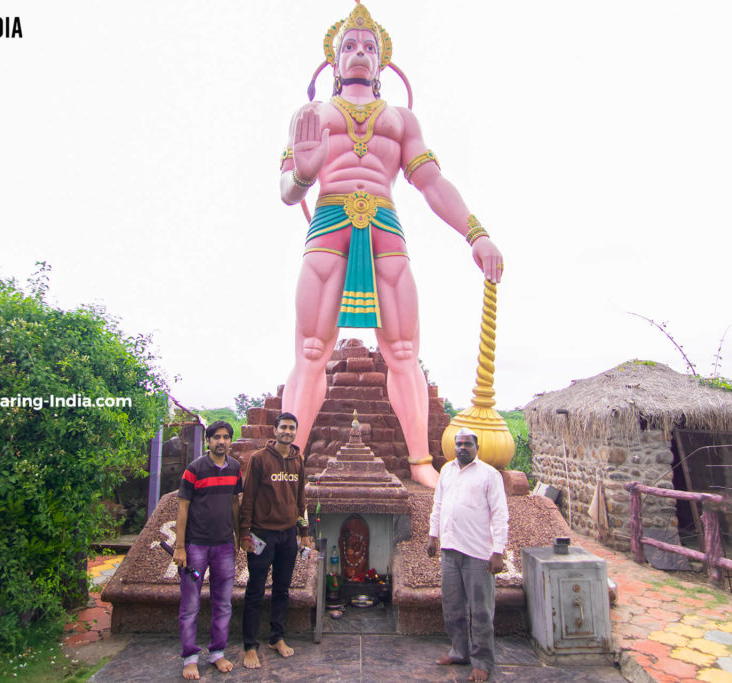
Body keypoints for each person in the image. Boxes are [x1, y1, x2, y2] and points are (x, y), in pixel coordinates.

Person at [279, 3, 505, 488]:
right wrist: (302, 170)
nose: (359, 52)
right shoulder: (312, 115)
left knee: (403, 348)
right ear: (334, 61)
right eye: (349, 46)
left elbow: (432, 183)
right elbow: (288, 192)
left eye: (368, 47)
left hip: (385, 225)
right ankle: (289, 463)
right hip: (328, 222)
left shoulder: (402, 119)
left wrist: (476, 232)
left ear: (382, 65)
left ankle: (421, 462)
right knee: (313, 348)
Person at [427, 428, 508, 682]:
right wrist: (432, 535)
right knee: (452, 606)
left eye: (467, 444)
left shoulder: (489, 475)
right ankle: (459, 650)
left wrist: (498, 551)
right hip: (450, 550)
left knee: (481, 610)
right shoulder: (447, 471)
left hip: (478, 554)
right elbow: (438, 503)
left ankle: (482, 661)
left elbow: (500, 513)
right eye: (458, 444)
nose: (462, 448)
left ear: (477, 447)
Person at [238, 412, 311, 668]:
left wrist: (304, 533)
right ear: (275, 430)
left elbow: (301, 499)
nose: (287, 431)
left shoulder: (298, 460)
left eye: (292, 428)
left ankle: (276, 637)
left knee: (282, 590)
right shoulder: (259, 460)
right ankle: (250, 644)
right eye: (284, 427)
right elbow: (247, 498)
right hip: (262, 534)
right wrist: (244, 533)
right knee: (255, 591)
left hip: (288, 535)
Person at [173, 420, 243, 680]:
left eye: (225, 437)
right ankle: (190, 657)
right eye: (216, 437)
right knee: (190, 604)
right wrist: (180, 547)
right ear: (208, 441)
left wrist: (238, 536)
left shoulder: (235, 468)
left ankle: (217, 652)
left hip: (224, 546)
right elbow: (182, 509)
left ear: (230, 441)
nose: (221, 441)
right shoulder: (194, 470)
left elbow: (235, 504)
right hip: (196, 547)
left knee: (223, 602)